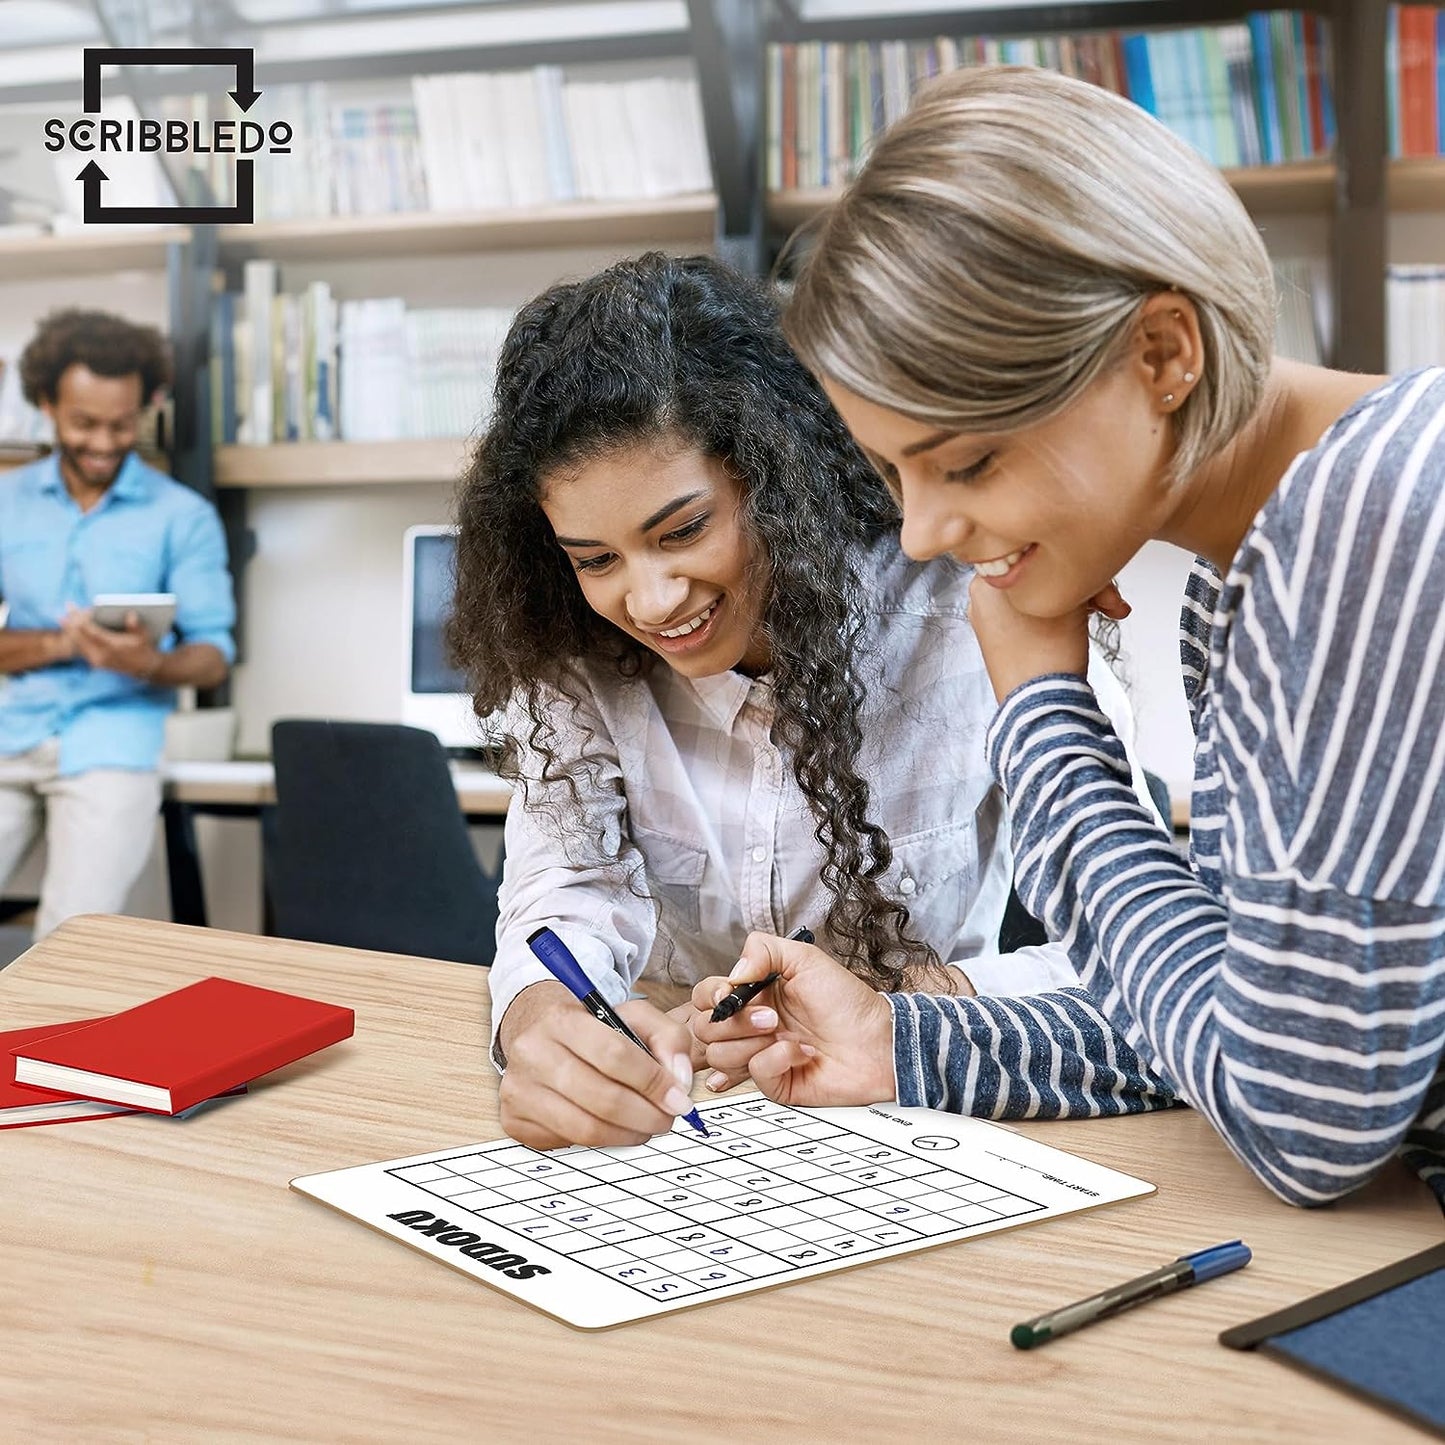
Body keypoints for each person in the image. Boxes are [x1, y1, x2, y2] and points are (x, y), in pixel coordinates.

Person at [690, 64, 1445, 1212]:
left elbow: (1301, 1120)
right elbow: (1239, 1018)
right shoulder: (1253, 563)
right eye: (895, 470)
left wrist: (1042, 709)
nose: (926, 530)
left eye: (968, 459)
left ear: (1160, 353)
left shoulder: (1376, 518)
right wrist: (901, 1042)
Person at [447, 252, 1162, 1151]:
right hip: (688, 1125)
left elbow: (1133, 957)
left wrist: (919, 1011)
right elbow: (568, 885)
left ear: (773, 475)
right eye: (597, 559)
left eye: (684, 530)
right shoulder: (569, 647)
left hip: (922, 1108)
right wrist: (542, 1016)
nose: (653, 599)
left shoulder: (969, 607)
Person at [0, 309, 235, 938]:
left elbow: (213, 653)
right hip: (9, 736)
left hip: (112, 745)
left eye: (121, 424)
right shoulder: (6, 502)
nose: (104, 443)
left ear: (146, 407)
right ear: (47, 404)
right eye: (85, 424)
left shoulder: (182, 517)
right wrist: (60, 643)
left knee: (66, 941)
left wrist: (149, 664)